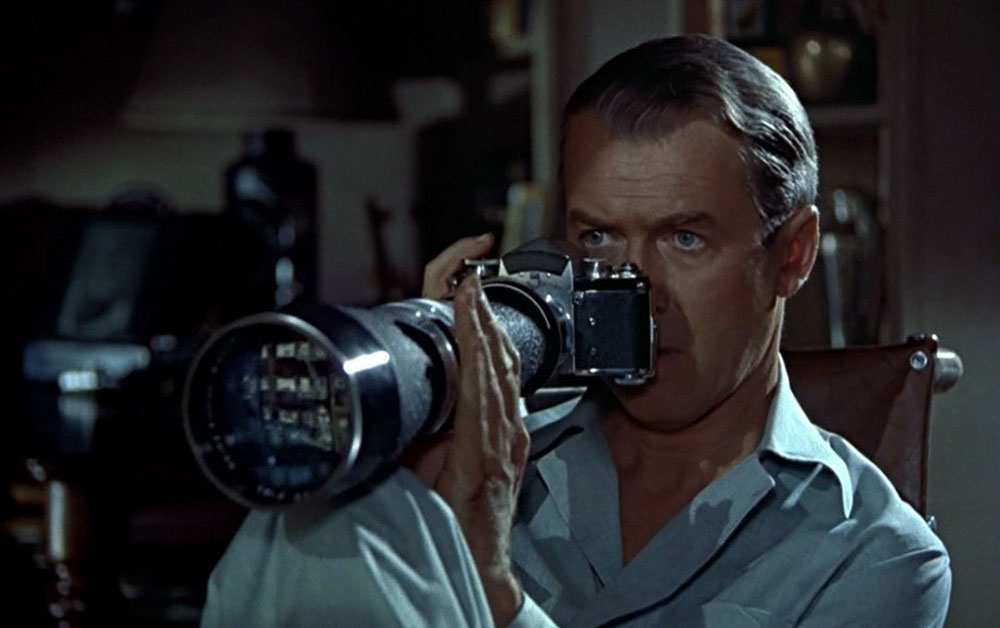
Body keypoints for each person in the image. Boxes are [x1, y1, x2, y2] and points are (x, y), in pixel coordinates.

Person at [201, 35, 951, 627]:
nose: (631, 290)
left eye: (685, 239)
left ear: (792, 255)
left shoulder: (875, 557)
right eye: (597, 238)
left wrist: (489, 585)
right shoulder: (486, 447)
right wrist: (392, 456)